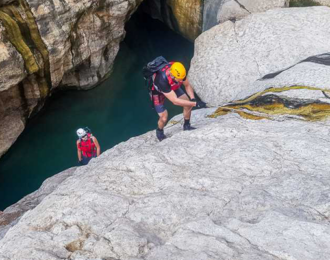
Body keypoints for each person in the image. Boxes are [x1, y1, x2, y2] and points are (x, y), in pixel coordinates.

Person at [151, 61, 206, 141]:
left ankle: (186, 125)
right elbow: (175, 101)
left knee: (188, 104)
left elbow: (187, 85)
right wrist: (195, 103)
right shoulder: (162, 80)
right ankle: (159, 131)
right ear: (172, 75)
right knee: (164, 117)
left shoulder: (179, 72)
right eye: (179, 79)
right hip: (158, 92)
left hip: (172, 86)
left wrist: (193, 98)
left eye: (182, 79)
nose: (181, 81)